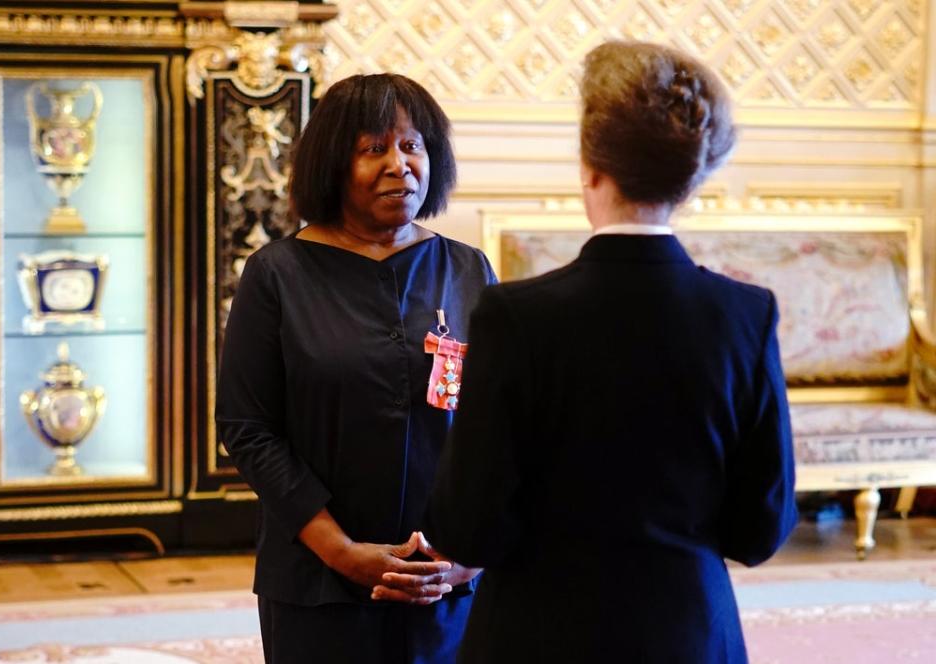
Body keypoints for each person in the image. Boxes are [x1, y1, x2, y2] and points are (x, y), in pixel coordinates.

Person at [425, 40, 798, 663]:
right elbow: (762, 527)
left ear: (590, 166)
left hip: (535, 633)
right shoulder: (744, 315)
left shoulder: (515, 315)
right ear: (690, 178)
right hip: (687, 630)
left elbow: (469, 526)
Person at [216, 73, 494, 664]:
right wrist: (341, 550)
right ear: (332, 164)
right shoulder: (277, 274)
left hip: (448, 580)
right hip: (319, 583)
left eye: (412, 145)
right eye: (374, 149)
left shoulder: (469, 271)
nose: (399, 164)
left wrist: (470, 557)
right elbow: (247, 427)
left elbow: (503, 424)